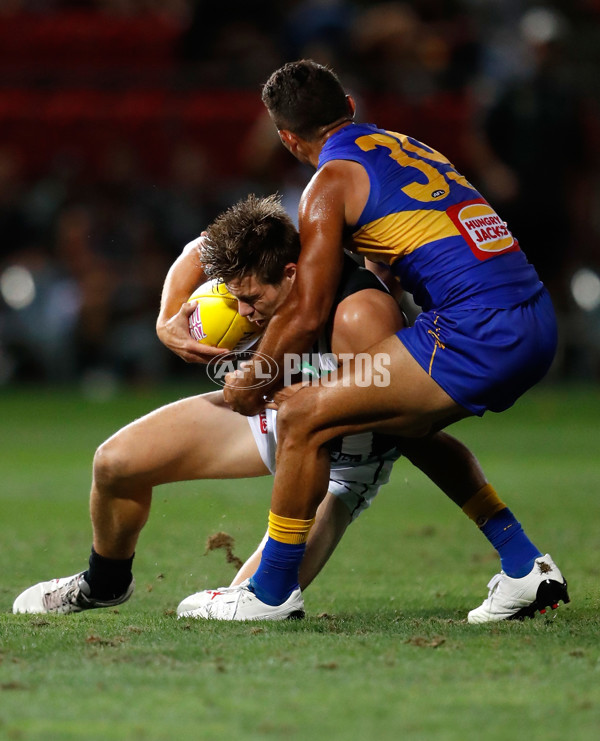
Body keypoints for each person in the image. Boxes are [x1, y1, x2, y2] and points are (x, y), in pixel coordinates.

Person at [181, 60, 569, 623]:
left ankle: (267, 594)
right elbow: (397, 263)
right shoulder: (406, 147)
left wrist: (258, 375)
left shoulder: (328, 184)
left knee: (299, 415)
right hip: (534, 317)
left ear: (287, 139)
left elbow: (309, 305)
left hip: (476, 333)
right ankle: (523, 564)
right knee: (396, 421)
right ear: (352, 110)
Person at [12, 194, 491, 617]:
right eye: (235, 297)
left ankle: (272, 585)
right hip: (275, 413)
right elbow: (193, 252)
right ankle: (105, 583)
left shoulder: (359, 312)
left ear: (289, 273)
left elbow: (387, 401)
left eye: (250, 298)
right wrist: (166, 321)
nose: (243, 312)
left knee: (254, 606)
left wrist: (271, 388)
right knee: (115, 463)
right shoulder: (257, 256)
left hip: (343, 457)